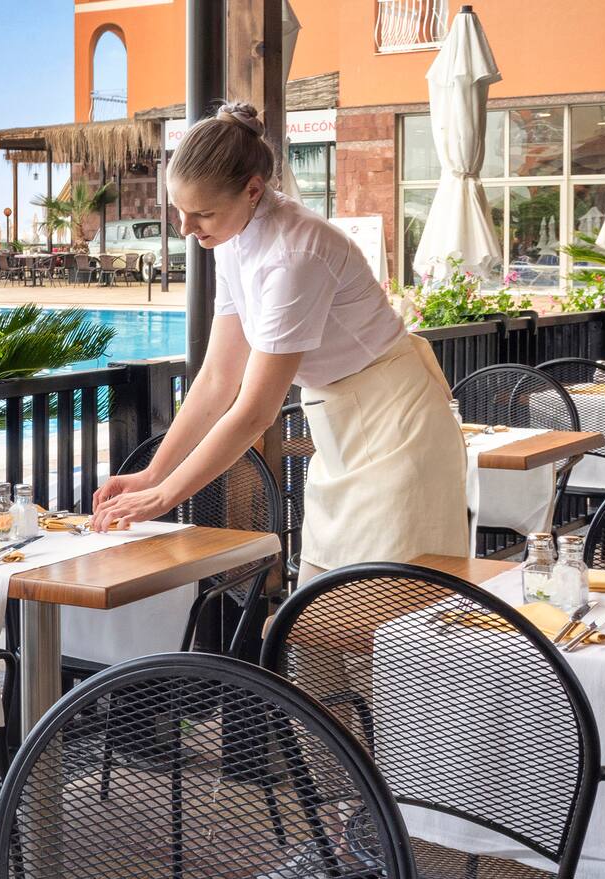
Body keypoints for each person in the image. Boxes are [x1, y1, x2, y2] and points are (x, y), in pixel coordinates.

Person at [91, 101, 468, 581]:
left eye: (202, 213)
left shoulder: (296, 254)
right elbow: (217, 379)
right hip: (342, 427)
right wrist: (153, 474)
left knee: (391, 614)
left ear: (253, 190)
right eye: (180, 211)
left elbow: (254, 411)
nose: (186, 229)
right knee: (317, 607)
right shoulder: (230, 240)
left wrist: (167, 497)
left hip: (398, 427)